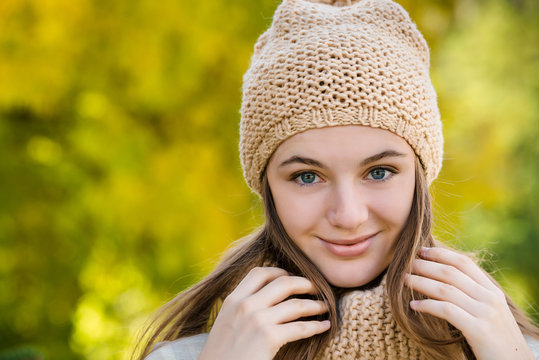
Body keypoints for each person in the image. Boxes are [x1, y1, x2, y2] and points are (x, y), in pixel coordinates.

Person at [131, 0, 539, 359]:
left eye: (379, 172)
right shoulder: (197, 356)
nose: (348, 215)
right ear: (266, 185)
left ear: (420, 178)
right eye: (307, 176)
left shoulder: (505, 347)